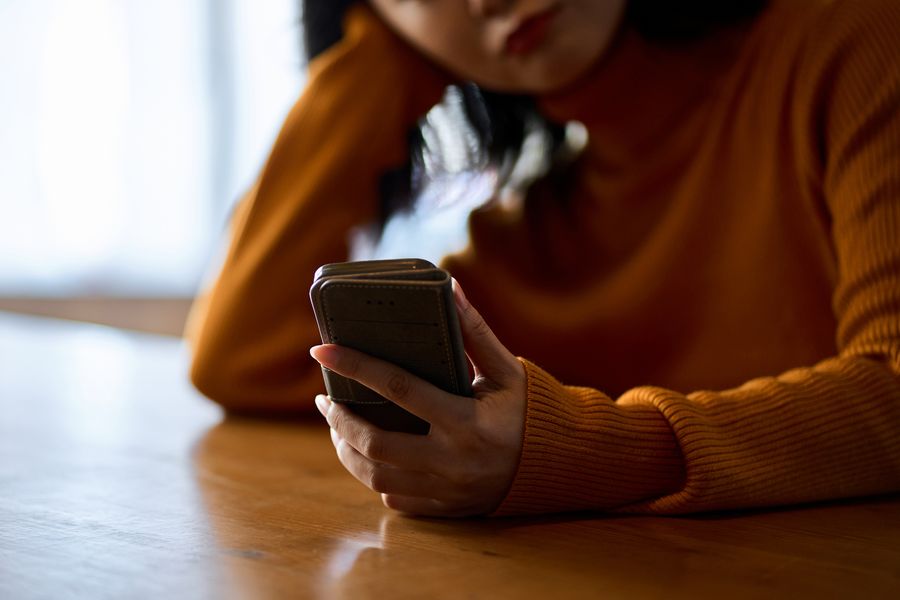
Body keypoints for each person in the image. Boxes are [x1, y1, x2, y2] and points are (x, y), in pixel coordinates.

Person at [186, 0, 900, 517]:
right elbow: (243, 361)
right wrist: (372, 55)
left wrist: (589, 452)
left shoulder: (856, 40)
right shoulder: (540, 231)